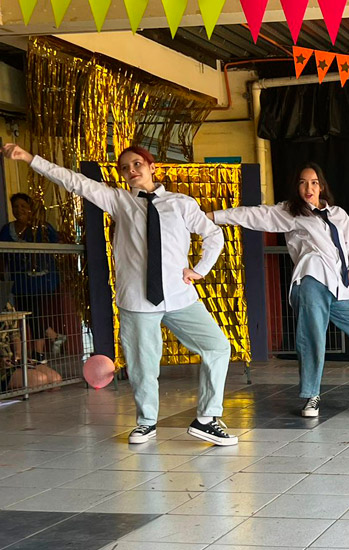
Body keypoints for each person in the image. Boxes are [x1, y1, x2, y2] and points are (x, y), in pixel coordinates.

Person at [1, 143, 237, 446]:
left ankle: (206, 418)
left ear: (153, 167)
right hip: (138, 300)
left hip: (180, 297)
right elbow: (74, 181)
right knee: (142, 365)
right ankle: (147, 423)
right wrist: (29, 158)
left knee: (217, 346)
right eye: (124, 168)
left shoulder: (181, 203)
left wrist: (200, 269)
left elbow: (214, 234)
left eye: (137, 164)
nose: (131, 171)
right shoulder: (119, 201)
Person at [209, 162, 349, 418]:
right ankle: (311, 396)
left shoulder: (338, 214)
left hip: (340, 286)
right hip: (312, 280)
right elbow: (253, 215)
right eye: (303, 182)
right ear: (297, 187)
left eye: (314, 182)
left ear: (322, 186)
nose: (309, 187)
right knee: (313, 337)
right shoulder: (290, 212)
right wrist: (215, 216)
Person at [0, 193, 68, 362]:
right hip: (20, 282)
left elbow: (57, 245)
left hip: (41, 281)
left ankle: (39, 354)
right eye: (16, 207)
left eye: (23, 206)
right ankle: (53, 337)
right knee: (28, 315)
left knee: (35, 314)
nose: (19, 210)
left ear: (31, 209)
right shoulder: (7, 230)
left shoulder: (42, 227)